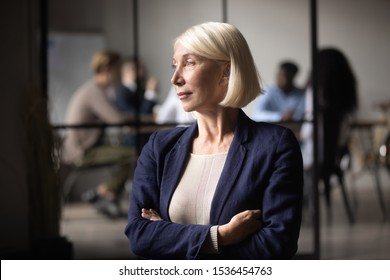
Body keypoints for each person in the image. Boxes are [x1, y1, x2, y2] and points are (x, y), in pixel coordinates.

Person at [124, 22, 303, 260]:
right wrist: (220, 236)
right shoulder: (159, 147)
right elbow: (140, 235)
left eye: (189, 63)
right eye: (175, 65)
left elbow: (276, 245)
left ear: (226, 72)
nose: (175, 78)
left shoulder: (275, 146)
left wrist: (170, 237)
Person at [61, 50, 136, 219]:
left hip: (86, 148)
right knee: (133, 154)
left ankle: (105, 194)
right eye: (118, 69)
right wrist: (146, 118)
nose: (119, 73)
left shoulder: (97, 90)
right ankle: (104, 192)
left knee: (130, 153)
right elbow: (116, 118)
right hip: (81, 152)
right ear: (107, 69)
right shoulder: (94, 92)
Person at [300, 48, 358, 213]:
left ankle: (302, 203)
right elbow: (344, 134)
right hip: (334, 157)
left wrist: (300, 135)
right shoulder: (345, 96)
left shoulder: (314, 92)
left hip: (311, 158)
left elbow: (309, 130)